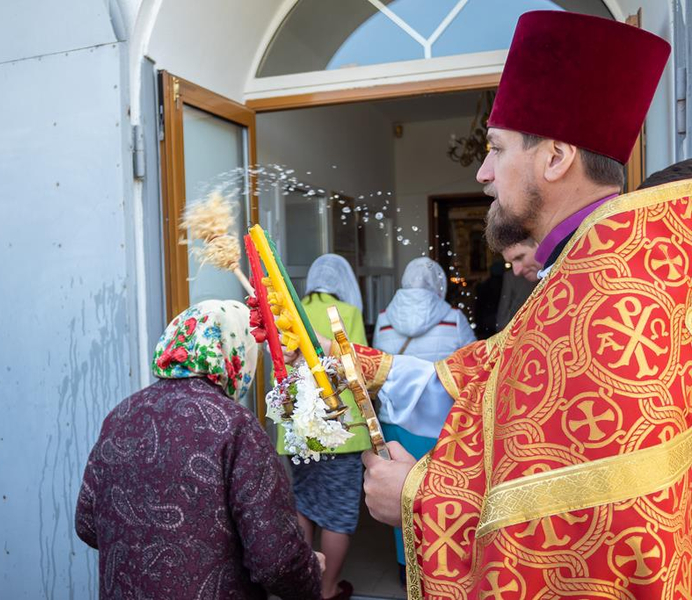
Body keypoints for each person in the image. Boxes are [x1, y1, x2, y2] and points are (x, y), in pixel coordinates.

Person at [335, 12, 683, 598]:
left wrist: (419, 498)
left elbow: (611, 529)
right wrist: (367, 367)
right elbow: (494, 379)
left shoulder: (606, 296)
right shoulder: (590, 271)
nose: (483, 171)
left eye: (496, 149)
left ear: (554, 158)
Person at [75, 300, 324, 599]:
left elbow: (87, 523)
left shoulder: (121, 414)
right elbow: (276, 558)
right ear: (235, 354)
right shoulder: (235, 426)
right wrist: (310, 572)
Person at [373, 257, 474, 581]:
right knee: (441, 493)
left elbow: (377, 367)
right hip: (441, 423)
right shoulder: (453, 318)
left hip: (394, 422)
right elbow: (470, 371)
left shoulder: (384, 318)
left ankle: (406, 568)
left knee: (397, 492)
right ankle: (439, 567)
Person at [288, 253, 368, 600]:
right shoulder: (347, 314)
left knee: (304, 505)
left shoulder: (292, 314)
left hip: (299, 431)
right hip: (340, 432)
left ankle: (302, 586)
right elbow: (359, 373)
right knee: (337, 513)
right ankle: (328, 588)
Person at [495, 238, 541, 331]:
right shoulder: (511, 277)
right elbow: (503, 318)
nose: (516, 271)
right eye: (511, 263)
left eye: (519, 257)